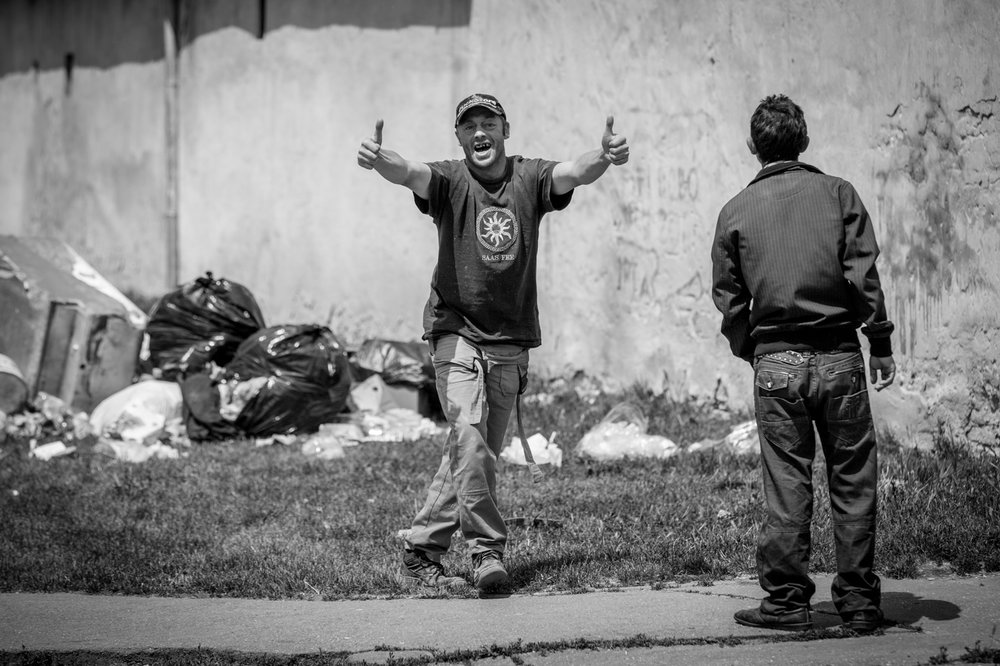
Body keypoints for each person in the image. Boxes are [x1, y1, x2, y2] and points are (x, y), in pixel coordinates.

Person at [357, 93, 629, 591]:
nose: (479, 132)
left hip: (509, 341)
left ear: (506, 129)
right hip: (456, 332)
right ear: (458, 137)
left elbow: (573, 172)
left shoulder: (529, 177)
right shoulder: (450, 181)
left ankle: (420, 550)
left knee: (474, 451)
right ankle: (487, 553)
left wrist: (604, 156)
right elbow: (411, 172)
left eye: (489, 123)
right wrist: (381, 161)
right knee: (470, 440)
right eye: (469, 126)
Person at [711, 94, 896, 633]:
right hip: (840, 356)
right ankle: (859, 603)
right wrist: (879, 341)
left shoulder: (735, 211)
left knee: (787, 481)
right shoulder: (838, 193)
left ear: (752, 147)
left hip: (776, 365)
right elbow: (865, 277)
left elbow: (728, 298)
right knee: (853, 478)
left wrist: (756, 350)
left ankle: (787, 603)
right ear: (806, 141)